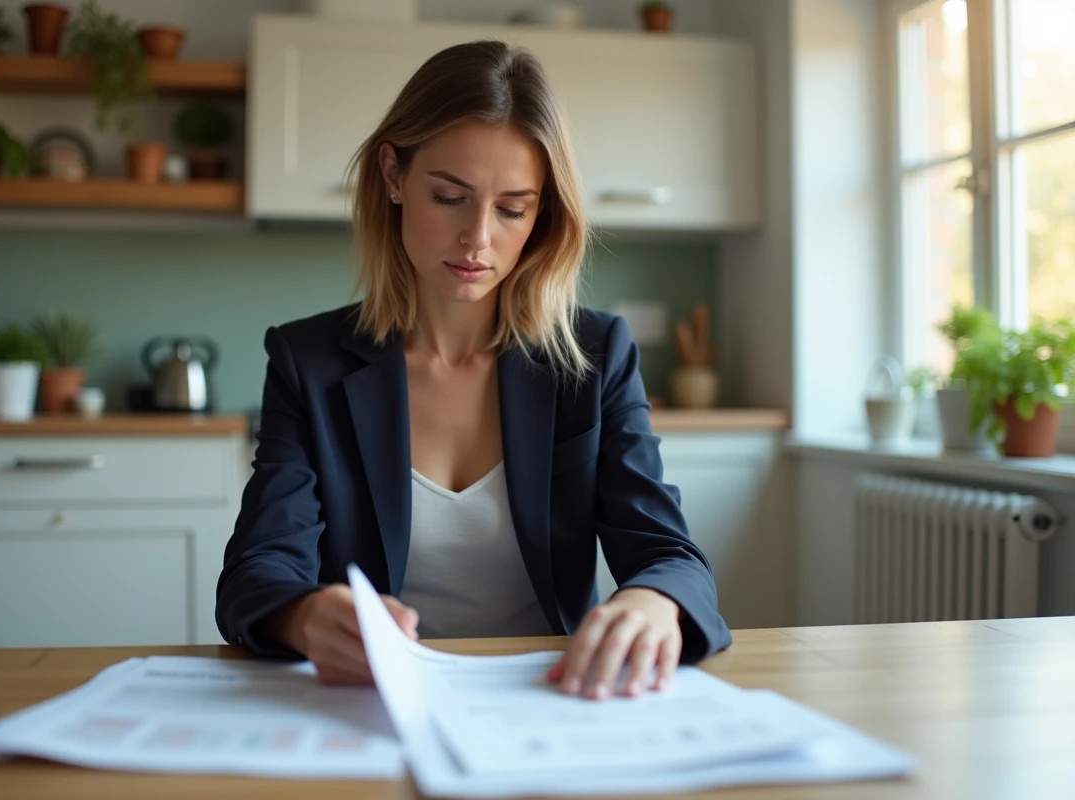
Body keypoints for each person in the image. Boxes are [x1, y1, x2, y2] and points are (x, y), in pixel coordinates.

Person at [216, 40, 731, 701]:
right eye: (450, 196)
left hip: (556, 700)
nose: (478, 238)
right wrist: (304, 616)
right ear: (394, 176)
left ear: (541, 215)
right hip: (373, 705)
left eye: (512, 208)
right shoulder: (307, 362)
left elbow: (671, 557)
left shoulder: (596, 355)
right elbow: (258, 572)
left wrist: (655, 603)